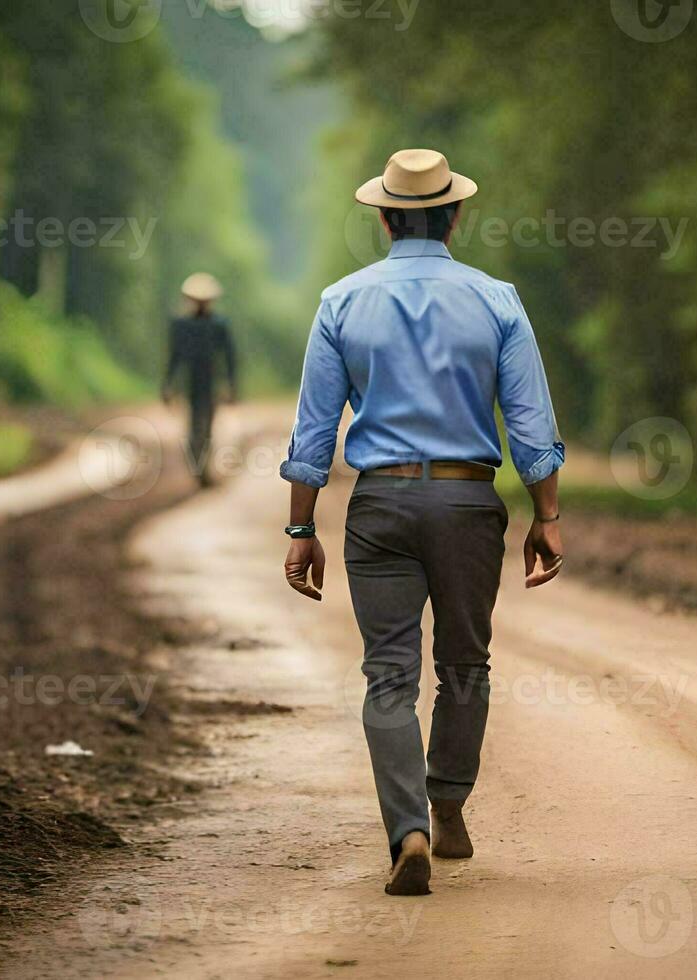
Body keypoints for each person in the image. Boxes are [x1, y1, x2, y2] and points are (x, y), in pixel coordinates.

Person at [279, 149, 566, 896]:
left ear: (382, 218)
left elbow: (313, 433)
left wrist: (300, 530)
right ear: (456, 214)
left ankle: (405, 828)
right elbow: (531, 426)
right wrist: (549, 514)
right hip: (470, 505)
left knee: (388, 675)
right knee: (465, 664)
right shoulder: (497, 300)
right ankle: (448, 804)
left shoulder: (341, 301)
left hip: (380, 505)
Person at [162, 273, 238, 486]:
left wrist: (231, 384)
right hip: (190, 380)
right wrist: (168, 385)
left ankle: (201, 466)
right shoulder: (181, 325)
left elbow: (230, 357)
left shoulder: (219, 325)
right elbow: (174, 356)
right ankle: (198, 465)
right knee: (193, 424)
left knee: (207, 424)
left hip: (211, 380)